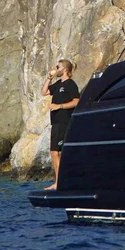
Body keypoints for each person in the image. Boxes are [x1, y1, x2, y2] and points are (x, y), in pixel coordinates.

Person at [40, 59, 80, 189]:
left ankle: (60, 182)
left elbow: (76, 101)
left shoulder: (70, 84)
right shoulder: (58, 84)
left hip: (64, 122)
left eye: (58, 67)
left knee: (58, 152)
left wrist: (60, 106)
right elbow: (44, 92)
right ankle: (59, 182)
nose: (56, 69)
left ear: (65, 70)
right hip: (56, 123)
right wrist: (48, 79)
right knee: (54, 153)